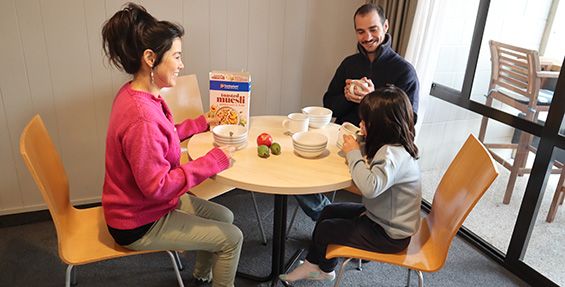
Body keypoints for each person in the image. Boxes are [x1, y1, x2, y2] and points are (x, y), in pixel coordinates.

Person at [101, 3, 242, 286]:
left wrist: (201, 122)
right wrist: (212, 161)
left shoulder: (137, 94)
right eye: (176, 56)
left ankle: (201, 276)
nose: (181, 64)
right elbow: (157, 187)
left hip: (144, 205)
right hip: (139, 222)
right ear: (150, 58)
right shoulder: (142, 118)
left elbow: (162, 137)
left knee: (226, 215)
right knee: (233, 239)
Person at [280, 85, 422, 283]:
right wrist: (360, 144)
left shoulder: (391, 156)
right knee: (328, 212)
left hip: (389, 234)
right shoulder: (395, 145)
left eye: (366, 122)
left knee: (326, 229)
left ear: (383, 125)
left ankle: (325, 271)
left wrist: (353, 153)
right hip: (380, 217)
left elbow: (370, 187)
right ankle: (313, 264)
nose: (361, 124)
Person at [295, 3, 420, 221]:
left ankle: (331, 219)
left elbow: (410, 121)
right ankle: (325, 213)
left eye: (373, 29)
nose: (367, 37)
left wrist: (374, 100)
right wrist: (346, 97)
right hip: (343, 139)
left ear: (386, 26)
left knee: (305, 174)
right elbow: (328, 104)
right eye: (361, 31)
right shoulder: (349, 64)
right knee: (297, 169)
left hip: (377, 150)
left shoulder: (404, 71)